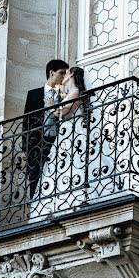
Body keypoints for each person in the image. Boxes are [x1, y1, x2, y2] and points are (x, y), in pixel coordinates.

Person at [32, 66, 113, 215]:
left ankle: (75, 200)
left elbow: (64, 113)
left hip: (73, 134)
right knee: (66, 168)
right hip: (66, 134)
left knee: (75, 166)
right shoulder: (71, 92)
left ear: (72, 75)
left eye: (67, 72)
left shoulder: (76, 92)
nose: (64, 76)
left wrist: (51, 107)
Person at [23, 59, 69, 199]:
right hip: (37, 143)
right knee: (35, 179)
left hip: (57, 142)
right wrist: (26, 148)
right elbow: (27, 122)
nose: (63, 77)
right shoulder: (34, 94)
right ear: (51, 72)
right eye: (61, 73)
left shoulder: (65, 96)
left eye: (65, 74)